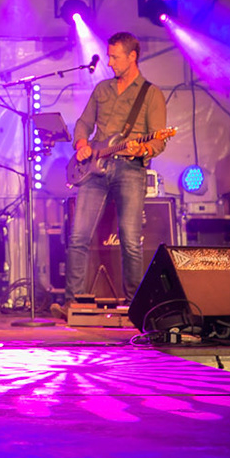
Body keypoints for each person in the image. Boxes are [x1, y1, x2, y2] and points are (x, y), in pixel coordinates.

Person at [61, 32, 168, 310]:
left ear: (132, 57)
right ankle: (74, 302)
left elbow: (158, 140)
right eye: (109, 56)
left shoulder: (151, 93)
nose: (109, 62)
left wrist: (141, 149)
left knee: (131, 241)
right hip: (95, 169)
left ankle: (134, 305)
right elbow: (83, 123)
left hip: (130, 170)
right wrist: (82, 143)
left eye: (115, 57)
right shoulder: (102, 90)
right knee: (78, 236)